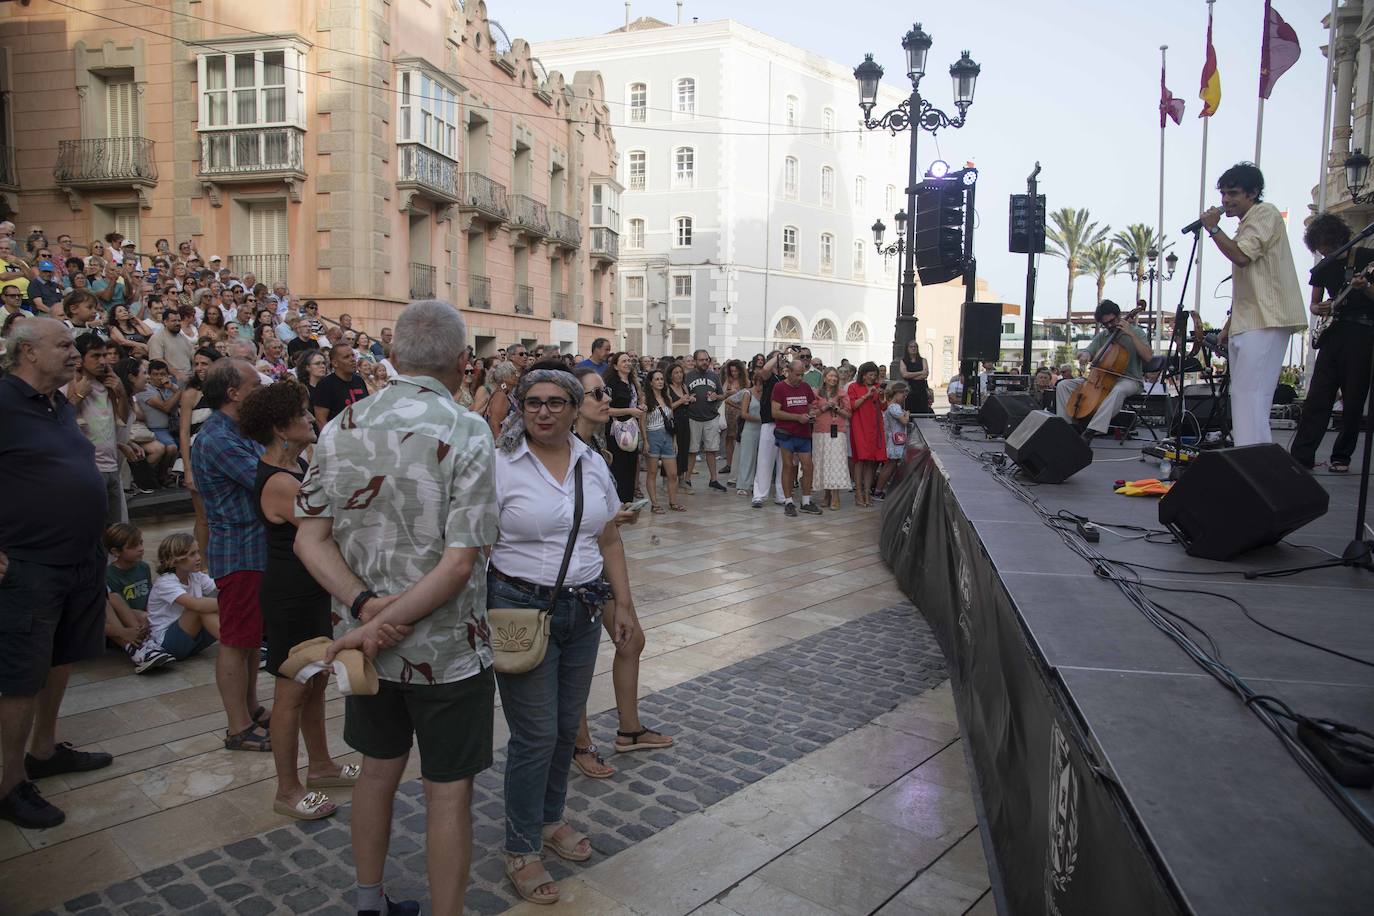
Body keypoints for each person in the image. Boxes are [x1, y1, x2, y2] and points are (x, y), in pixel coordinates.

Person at [294, 301, 496, 916]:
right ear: (464, 362)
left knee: (376, 772)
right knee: (448, 792)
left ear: (393, 354)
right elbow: (459, 562)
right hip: (448, 651)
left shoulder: (340, 426)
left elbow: (309, 535)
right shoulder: (467, 429)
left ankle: (366, 901)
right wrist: (380, 620)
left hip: (363, 649)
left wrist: (364, 611)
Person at [489, 367, 635, 905]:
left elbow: (610, 537)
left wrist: (625, 605)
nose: (543, 411)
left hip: (584, 609)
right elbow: (477, 546)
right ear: (520, 408)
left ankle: (549, 819)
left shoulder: (590, 461)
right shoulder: (501, 464)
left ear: (575, 409)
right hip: (518, 610)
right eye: (532, 402)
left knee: (562, 733)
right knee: (534, 734)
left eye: (555, 402)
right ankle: (521, 846)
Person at [0, 318, 117, 830]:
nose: (76, 353)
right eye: (65, 345)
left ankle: (43, 752)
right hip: (31, 562)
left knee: (61, 655)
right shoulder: (3, 401)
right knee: (21, 675)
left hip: (80, 557)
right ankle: (7, 785)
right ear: (27, 351)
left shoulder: (56, 403)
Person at [239, 380, 355, 821]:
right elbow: (332, 524)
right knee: (290, 692)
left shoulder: (296, 467)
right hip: (290, 595)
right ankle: (288, 789)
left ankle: (322, 766)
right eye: (302, 414)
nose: (311, 419)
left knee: (317, 681)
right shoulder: (280, 482)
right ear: (279, 427)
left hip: (310, 590)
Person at [568, 366, 673, 779]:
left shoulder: (594, 447)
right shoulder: (566, 449)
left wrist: (615, 518)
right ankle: (580, 745)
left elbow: (600, 518)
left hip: (598, 565)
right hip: (572, 574)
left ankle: (629, 730)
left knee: (632, 640)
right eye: (597, 394)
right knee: (574, 663)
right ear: (576, 403)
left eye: (605, 393)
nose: (606, 400)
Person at [190, 358, 272, 752]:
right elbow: (265, 479)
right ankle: (237, 726)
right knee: (236, 640)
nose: (262, 391)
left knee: (250, 639)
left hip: (255, 549)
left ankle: (251, 706)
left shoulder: (240, 430)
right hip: (239, 552)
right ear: (233, 393)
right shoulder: (217, 439)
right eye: (255, 385)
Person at [1198, 162, 1307, 446]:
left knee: (1252, 395)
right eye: (1222, 194)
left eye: (1233, 193)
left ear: (1253, 192)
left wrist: (1213, 229)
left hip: (1267, 320)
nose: (1225, 201)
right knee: (1244, 394)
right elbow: (1249, 284)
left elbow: (1242, 256)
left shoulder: (1265, 213)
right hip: (1251, 320)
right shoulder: (1248, 223)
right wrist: (1229, 324)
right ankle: (1249, 457)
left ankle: (1255, 462)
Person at [1291, 213, 1373, 472]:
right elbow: (1314, 305)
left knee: (1354, 398)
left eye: (1327, 245)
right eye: (1319, 247)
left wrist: (1364, 288)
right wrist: (1321, 307)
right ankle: (1302, 454)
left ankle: (1341, 457)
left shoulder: (1363, 258)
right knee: (1318, 396)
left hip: (1362, 333)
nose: (1324, 251)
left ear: (1338, 238)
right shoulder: (1322, 268)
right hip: (1332, 334)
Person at [1055, 300, 1152, 441]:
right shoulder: (1103, 336)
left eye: (1112, 321)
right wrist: (1085, 355)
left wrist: (1130, 334)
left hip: (1129, 380)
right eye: (1105, 324)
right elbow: (1088, 351)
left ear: (1119, 316)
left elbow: (1148, 357)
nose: (1109, 326)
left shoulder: (1137, 333)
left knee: (1118, 389)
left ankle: (1091, 431)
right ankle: (1069, 427)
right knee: (1063, 385)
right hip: (1099, 379)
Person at [64, 334, 130, 525]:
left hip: (111, 467)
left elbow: (123, 419)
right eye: (95, 356)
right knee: (94, 530)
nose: (102, 361)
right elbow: (63, 420)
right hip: (89, 468)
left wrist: (121, 393)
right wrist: (78, 394)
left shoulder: (107, 385)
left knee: (115, 531)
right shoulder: (70, 384)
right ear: (80, 358)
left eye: (104, 355)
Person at [103, 523, 174, 673]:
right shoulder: (110, 574)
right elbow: (115, 607)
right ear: (116, 551)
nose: (141, 548)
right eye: (133, 546)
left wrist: (149, 614)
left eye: (141, 543)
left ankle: (149, 646)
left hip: (143, 618)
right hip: (125, 622)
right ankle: (143, 648)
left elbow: (150, 595)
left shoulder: (143, 567)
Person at [144, 532, 220, 661]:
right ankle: (240, 647)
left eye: (197, 552)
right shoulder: (165, 582)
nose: (199, 557)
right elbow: (197, 605)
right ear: (173, 561)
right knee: (199, 609)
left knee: (222, 603)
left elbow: (220, 587)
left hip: (191, 640)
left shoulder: (195, 575)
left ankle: (251, 642)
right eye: (192, 554)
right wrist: (230, 602)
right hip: (168, 644)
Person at [771, 354, 823, 516]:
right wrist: (797, 418)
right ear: (789, 372)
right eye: (797, 374)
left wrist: (811, 414)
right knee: (789, 466)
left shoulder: (805, 387)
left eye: (802, 374)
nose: (800, 378)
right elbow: (775, 412)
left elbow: (810, 406)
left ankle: (806, 501)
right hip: (786, 433)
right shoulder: (779, 387)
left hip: (803, 433)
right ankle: (788, 501)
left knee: (808, 466)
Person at [602, 351, 644, 503]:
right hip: (615, 430)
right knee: (619, 467)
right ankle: (616, 502)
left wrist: (640, 407)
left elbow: (633, 404)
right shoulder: (610, 385)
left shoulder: (632, 383)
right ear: (615, 365)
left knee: (631, 465)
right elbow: (607, 410)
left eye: (629, 361)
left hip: (632, 428)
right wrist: (630, 411)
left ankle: (628, 501)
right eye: (623, 361)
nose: (627, 363)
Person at [641, 368, 684, 513]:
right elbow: (642, 421)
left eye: (661, 379)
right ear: (651, 383)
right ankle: (655, 504)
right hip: (652, 436)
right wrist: (645, 441)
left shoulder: (668, 398)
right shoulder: (646, 399)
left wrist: (675, 440)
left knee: (673, 474)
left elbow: (671, 420)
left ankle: (673, 502)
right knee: (652, 473)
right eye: (656, 379)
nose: (660, 382)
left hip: (667, 436)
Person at [684, 349, 727, 492]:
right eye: (701, 360)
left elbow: (722, 395)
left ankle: (713, 479)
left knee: (711, 450)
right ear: (695, 361)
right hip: (693, 417)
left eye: (706, 359)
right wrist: (688, 399)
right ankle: (687, 479)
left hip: (711, 416)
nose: (704, 362)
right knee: (692, 450)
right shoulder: (688, 376)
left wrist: (716, 396)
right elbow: (681, 395)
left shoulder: (714, 376)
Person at [750, 350, 789, 509]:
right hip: (769, 422)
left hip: (786, 422)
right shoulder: (769, 378)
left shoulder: (787, 379)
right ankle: (759, 495)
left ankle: (781, 495)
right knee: (765, 459)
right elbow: (764, 370)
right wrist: (777, 355)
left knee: (783, 461)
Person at [812, 368, 852, 510]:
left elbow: (848, 414)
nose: (833, 378)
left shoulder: (842, 394)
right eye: (830, 376)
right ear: (824, 378)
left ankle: (835, 496)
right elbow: (812, 413)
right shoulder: (816, 393)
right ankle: (826, 494)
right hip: (820, 431)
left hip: (837, 431)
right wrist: (824, 408)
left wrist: (836, 408)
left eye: (835, 376)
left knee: (835, 462)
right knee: (823, 462)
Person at [847, 362, 885, 507]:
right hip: (859, 427)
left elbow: (882, 407)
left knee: (871, 461)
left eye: (875, 375)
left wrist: (881, 397)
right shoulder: (853, 387)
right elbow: (852, 406)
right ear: (863, 375)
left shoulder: (876, 388)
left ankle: (867, 493)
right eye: (871, 374)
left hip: (874, 427)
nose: (873, 377)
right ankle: (858, 493)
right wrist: (866, 396)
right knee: (860, 460)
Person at [312, 343, 370, 426]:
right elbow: (321, 420)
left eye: (353, 356)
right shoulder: (325, 385)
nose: (352, 359)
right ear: (335, 363)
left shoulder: (359, 380)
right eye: (346, 357)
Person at [875, 382, 912, 497]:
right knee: (890, 465)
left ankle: (879, 489)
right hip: (896, 440)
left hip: (894, 438)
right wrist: (907, 414)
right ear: (896, 393)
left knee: (890, 465)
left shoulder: (890, 405)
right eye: (903, 395)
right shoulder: (894, 407)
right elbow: (904, 421)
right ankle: (878, 490)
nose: (904, 398)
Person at [730, 372, 763, 496]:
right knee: (746, 457)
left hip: (761, 429)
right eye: (759, 384)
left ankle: (756, 483)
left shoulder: (765, 394)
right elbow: (744, 414)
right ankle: (743, 484)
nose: (761, 387)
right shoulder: (747, 393)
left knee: (760, 458)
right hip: (749, 429)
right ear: (755, 382)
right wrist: (760, 418)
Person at [719, 359, 748, 478]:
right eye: (732, 371)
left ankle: (739, 464)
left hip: (739, 411)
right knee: (729, 438)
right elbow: (723, 394)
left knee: (739, 439)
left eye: (736, 371)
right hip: (728, 412)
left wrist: (734, 394)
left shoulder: (745, 382)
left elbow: (746, 397)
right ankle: (729, 464)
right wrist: (729, 394)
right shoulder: (727, 381)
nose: (734, 373)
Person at [149, 307, 194, 382]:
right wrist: (177, 374)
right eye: (173, 321)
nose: (177, 323)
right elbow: (158, 360)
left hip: (189, 375)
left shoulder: (183, 338)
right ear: (165, 322)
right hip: (171, 378)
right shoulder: (157, 338)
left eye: (179, 320)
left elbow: (193, 357)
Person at [484, 360, 519, 438]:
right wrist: (499, 447)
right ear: (504, 377)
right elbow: (495, 425)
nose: (517, 375)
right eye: (513, 373)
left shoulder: (508, 394)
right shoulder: (500, 396)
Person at [898, 339, 931, 415]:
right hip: (909, 391)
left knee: (922, 413)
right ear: (907, 348)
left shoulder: (923, 360)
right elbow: (904, 375)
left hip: (921, 390)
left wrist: (910, 376)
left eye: (915, 346)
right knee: (910, 413)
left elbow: (925, 374)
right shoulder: (903, 361)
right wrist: (920, 372)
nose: (913, 348)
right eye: (911, 347)